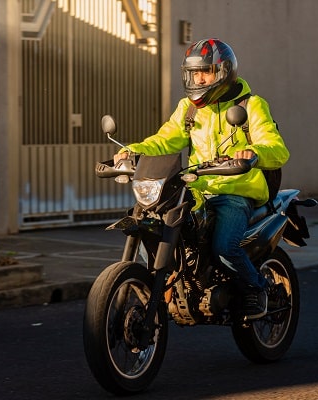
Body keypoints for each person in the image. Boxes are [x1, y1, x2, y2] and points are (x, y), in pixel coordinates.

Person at [114, 38, 289, 319]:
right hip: (196, 190)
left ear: (223, 72)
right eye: (193, 73)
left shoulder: (251, 105)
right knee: (155, 229)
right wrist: (133, 151)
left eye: (204, 72)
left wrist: (252, 153)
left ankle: (256, 289)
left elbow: (277, 148)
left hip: (235, 192)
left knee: (224, 247)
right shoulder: (190, 109)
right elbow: (165, 140)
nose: (198, 79)